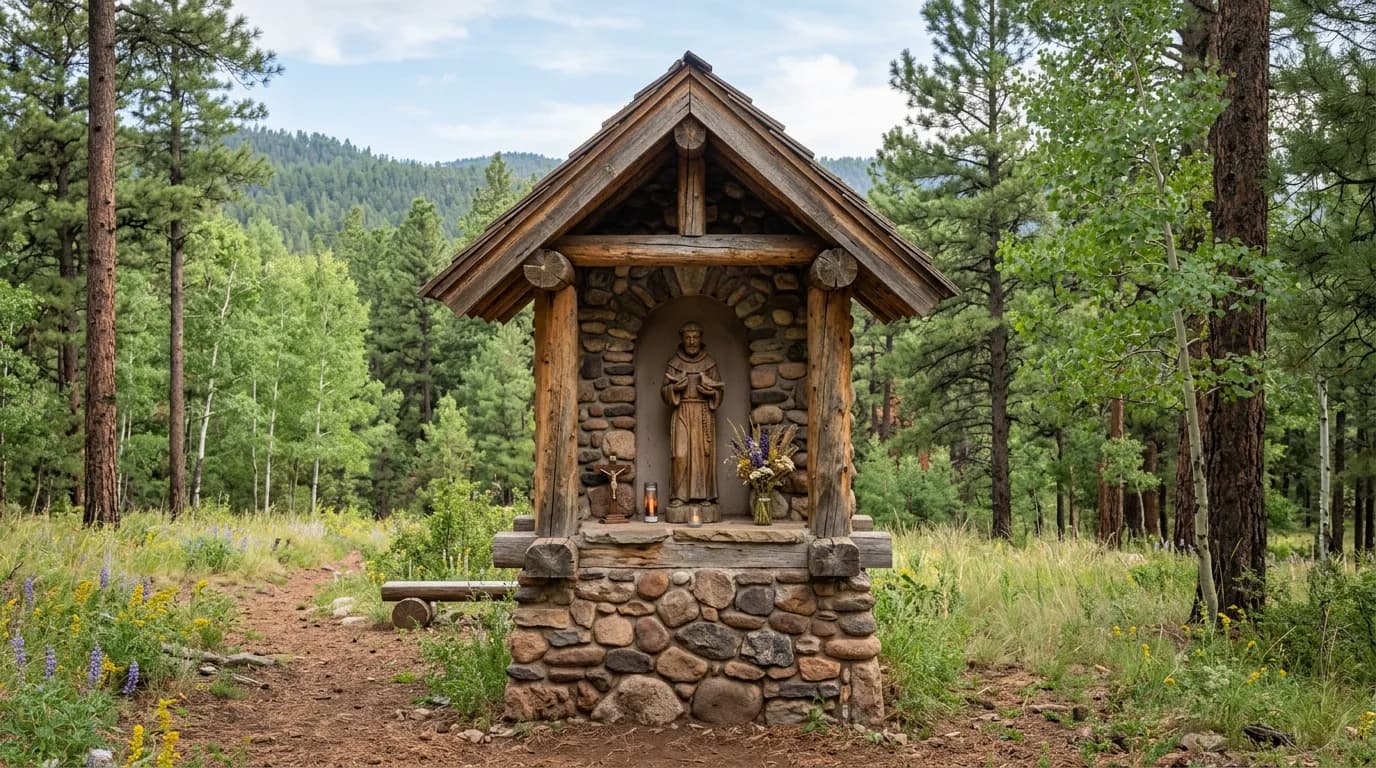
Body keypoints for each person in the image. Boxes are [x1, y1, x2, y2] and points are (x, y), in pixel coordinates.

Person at [662, 322, 723, 512]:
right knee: (680, 455)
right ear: (682, 338)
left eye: (695, 337)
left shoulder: (710, 363)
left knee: (703, 456)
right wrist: (674, 389)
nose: (691, 341)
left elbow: (720, 391)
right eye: (688, 337)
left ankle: (705, 495)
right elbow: (664, 391)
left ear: (700, 338)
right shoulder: (674, 363)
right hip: (682, 411)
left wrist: (711, 393)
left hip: (704, 412)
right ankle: (678, 496)